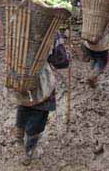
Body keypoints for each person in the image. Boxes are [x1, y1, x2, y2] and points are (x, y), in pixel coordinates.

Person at [10, 33, 68, 165]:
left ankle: (19, 135)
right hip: (41, 80)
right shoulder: (52, 30)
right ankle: (29, 151)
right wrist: (67, 57)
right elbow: (60, 61)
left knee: (24, 103)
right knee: (39, 113)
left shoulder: (17, 25)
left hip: (20, 74)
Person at [82, 10, 109, 88]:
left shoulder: (89, 9)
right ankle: (93, 75)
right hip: (102, 43)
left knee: (94, 58)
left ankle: (94, 79)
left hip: (88, 41)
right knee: (102, 61)